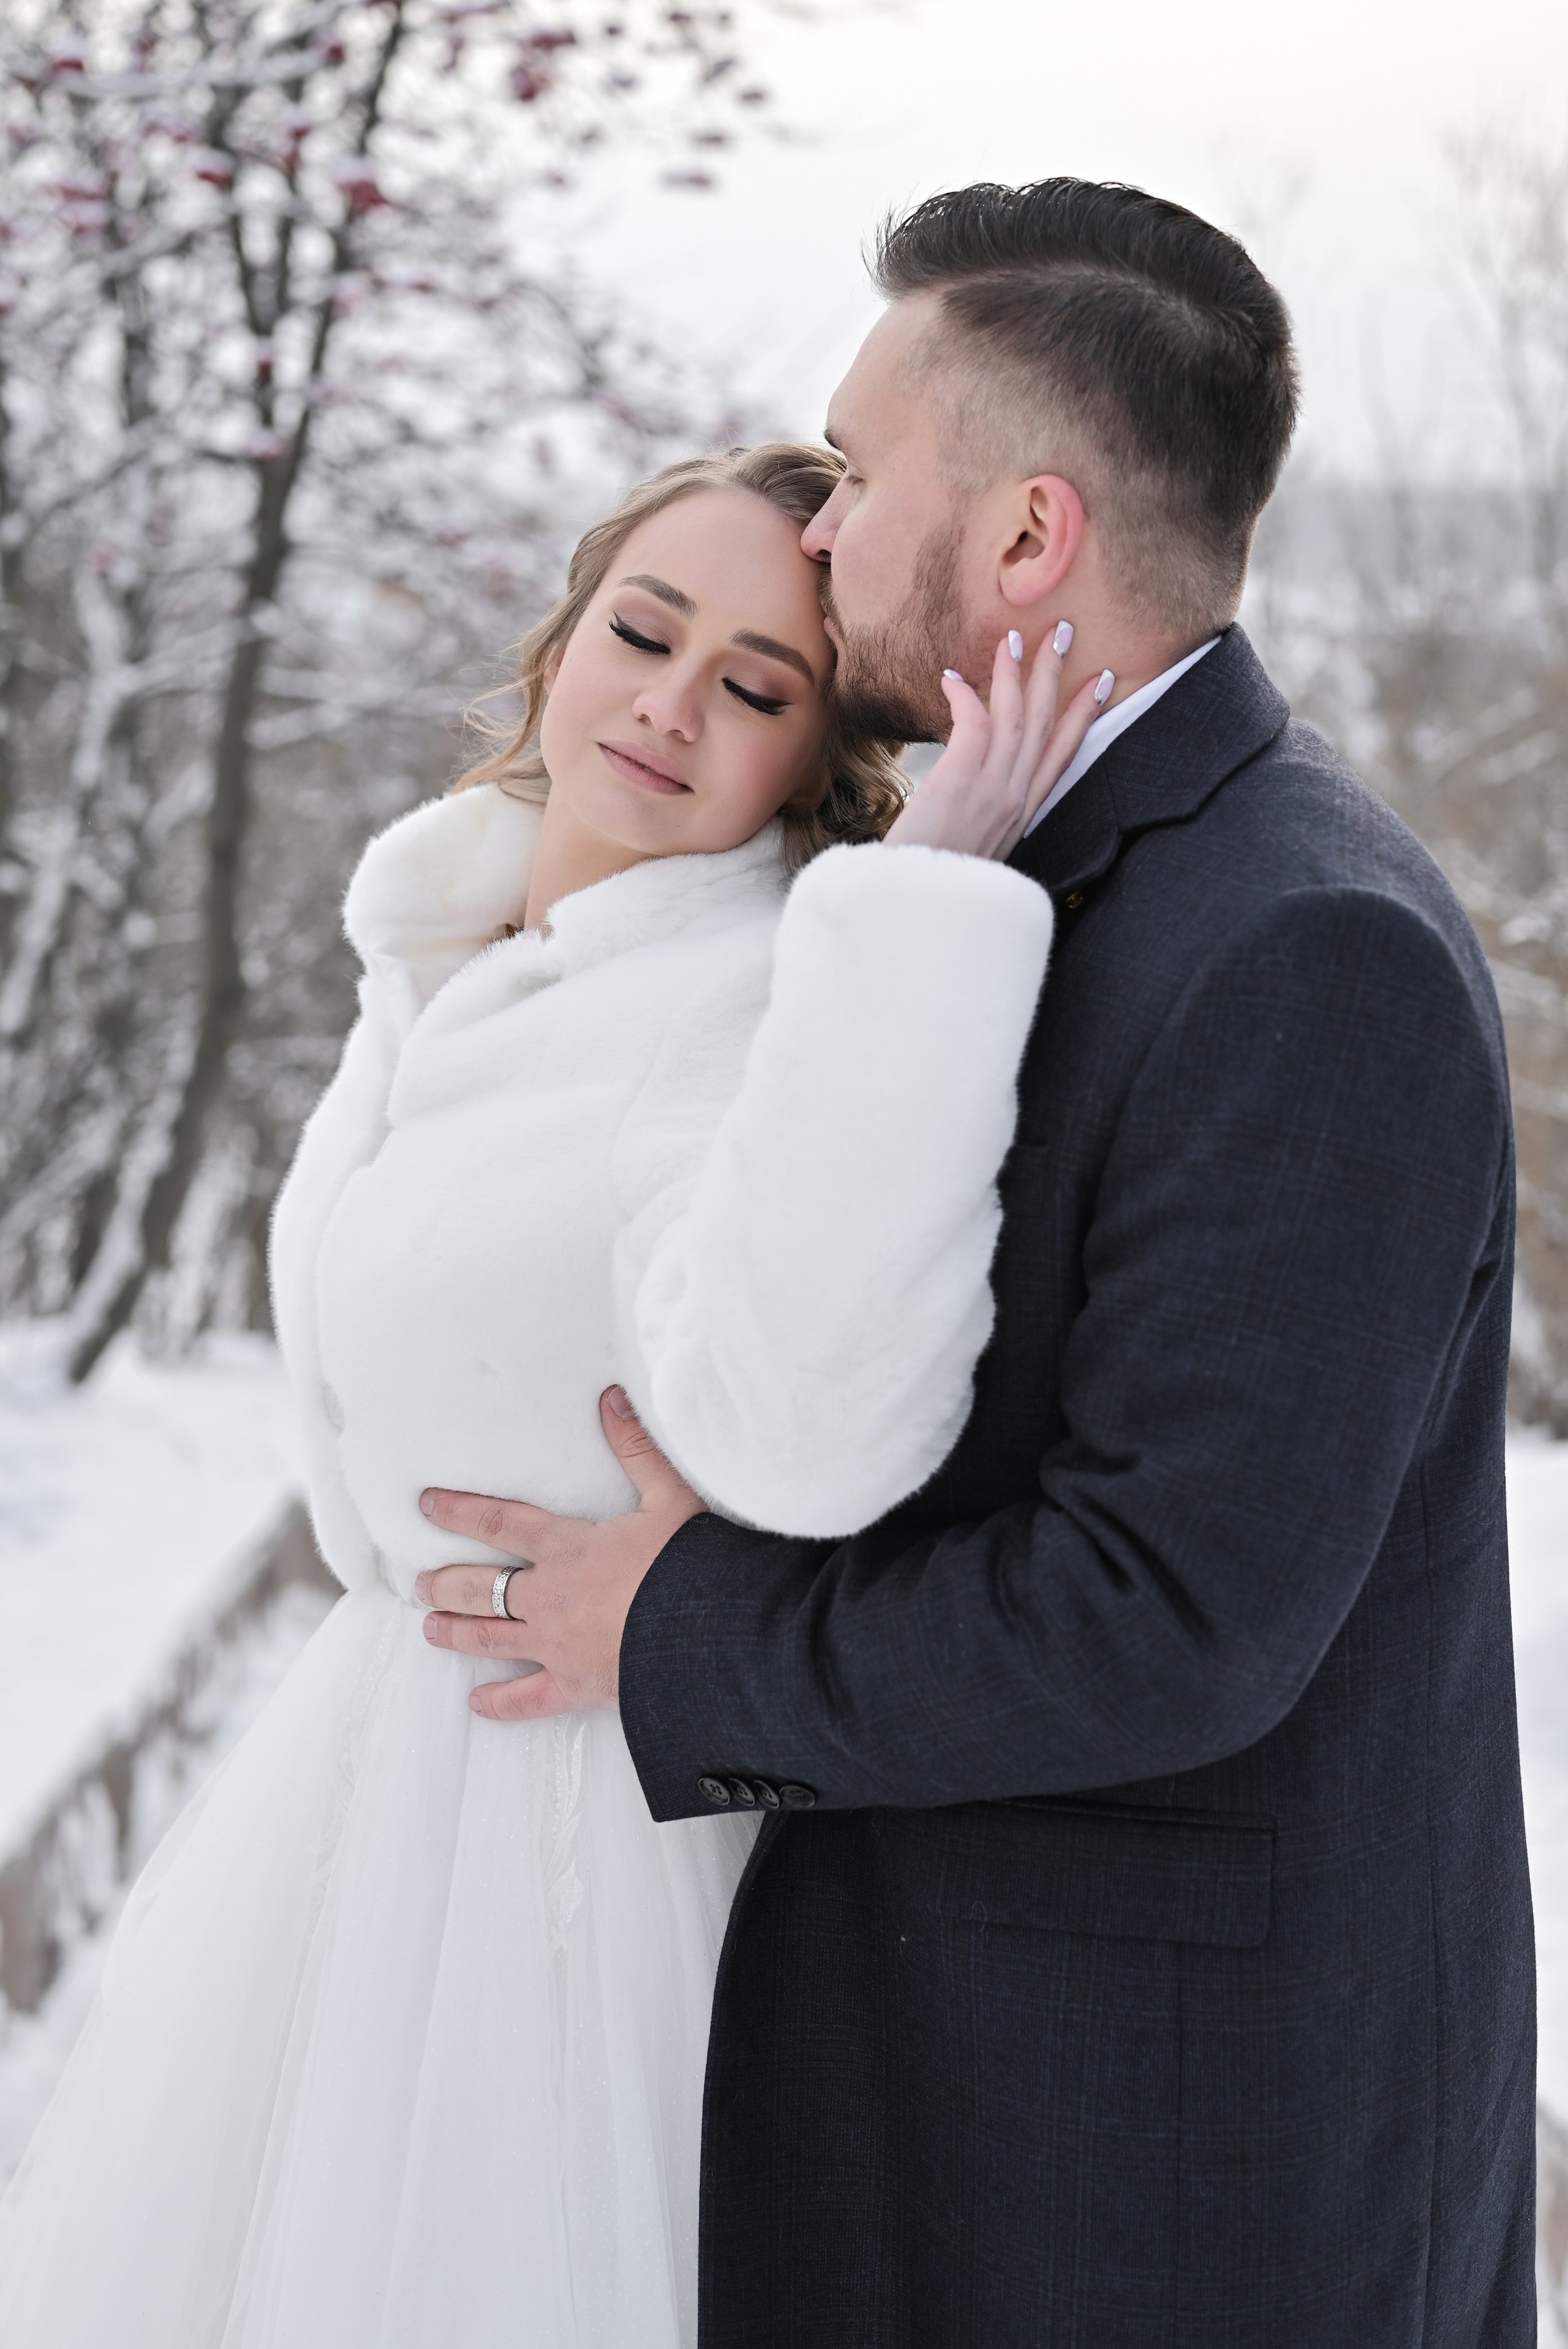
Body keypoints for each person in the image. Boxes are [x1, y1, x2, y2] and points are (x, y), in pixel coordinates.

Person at [418, 182, 1537, 2345]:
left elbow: (1177, 1616)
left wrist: (682, 1631)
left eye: (850, 475)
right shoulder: (1030, 852)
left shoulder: (1308, 943)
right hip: (967, 2092)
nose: (811, 535)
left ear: (1026, 541)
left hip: (1168, 2181)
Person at [0, 440, 1108, 2348]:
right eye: (644, 630)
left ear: (811, 753)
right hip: (363, 1797)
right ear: (559, 643)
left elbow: (827, 1420)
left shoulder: (747, 1000)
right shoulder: (451, 955)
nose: (673, 704)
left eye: (756, 685)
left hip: (578, 1852)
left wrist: (919, 922)